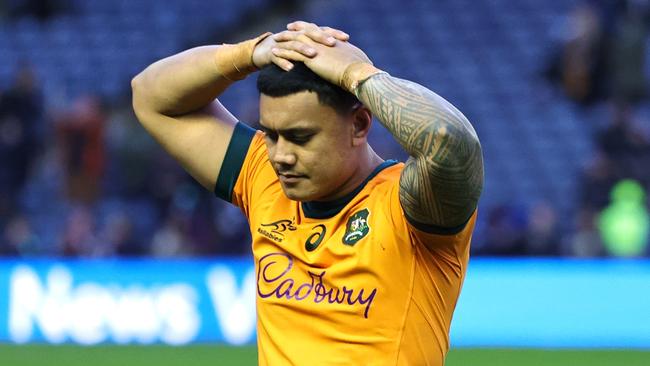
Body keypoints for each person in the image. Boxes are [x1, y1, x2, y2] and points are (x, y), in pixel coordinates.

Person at [132, 21, 483, 366]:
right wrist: (252, 53)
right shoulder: (262, 176)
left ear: (359, 125)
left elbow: (447, 140)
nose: (280, 155)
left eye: (300, 138)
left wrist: (357, 75)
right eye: (270, 134)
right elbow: (149, 96)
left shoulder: (410, 207)